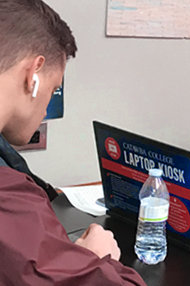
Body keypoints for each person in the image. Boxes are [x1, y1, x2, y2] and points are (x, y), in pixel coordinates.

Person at [0, 0, 146, 284]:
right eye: (54, 89)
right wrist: (97, 259)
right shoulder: (8, 196)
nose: (44, 110)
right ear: (34, 74)